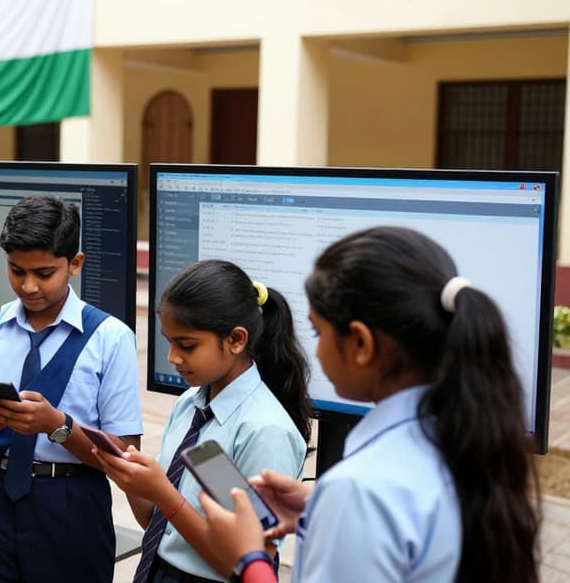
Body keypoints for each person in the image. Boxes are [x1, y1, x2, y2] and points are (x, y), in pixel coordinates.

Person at [193, 226, 540, 583]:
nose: (316, 349)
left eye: (318, 332)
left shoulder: (360, 489)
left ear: (361, 343)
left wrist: (249, 558)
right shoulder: (465, 436)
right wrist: (318, 512)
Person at [0, 195, 144, 583]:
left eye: (44, 273)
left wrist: (58, 426)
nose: (28, 285)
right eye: (16, 270)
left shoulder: (110, 339)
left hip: (69, 504)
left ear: (75, 264)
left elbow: (125, 457)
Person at [95, 259, 312, 582]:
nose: (173, 359)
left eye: (187, 345)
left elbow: (249, 564)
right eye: (170, 343)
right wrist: (130, 481)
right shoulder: (190, 405)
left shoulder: (264, 431)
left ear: (236, 340)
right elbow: (164, 531)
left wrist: (163, 493)